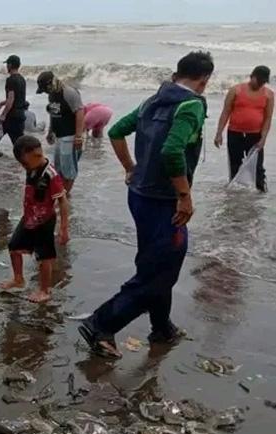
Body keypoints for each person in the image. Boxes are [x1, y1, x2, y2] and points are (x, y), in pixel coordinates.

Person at [78, 52, 214, 359]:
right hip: (166, 203)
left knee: (154, 264)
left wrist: (131, 168)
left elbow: (116, 131)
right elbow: (172, 151)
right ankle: (101, 323)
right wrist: (184, 195)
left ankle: (162, 326)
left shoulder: (154, 100)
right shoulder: (191, 105)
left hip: (139, 196)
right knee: (162, 271)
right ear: (204, 80)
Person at [1, 135, 69, 303]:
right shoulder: (30, 168)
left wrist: (64, 228)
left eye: (27, 162)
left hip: (45, 221)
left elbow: (63, 200)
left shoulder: (50, 174)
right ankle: (18, 279)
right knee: (14, 247)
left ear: (39, 153)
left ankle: (44, 290)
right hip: (29, 217)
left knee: (44, 257)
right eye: (24, 164)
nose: (26, 167)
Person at [214, 65, 273, 192]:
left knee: (257, 168)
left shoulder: (269, 94)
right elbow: (226, 112)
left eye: (263, 82)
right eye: (259, 80)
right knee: (235, 164)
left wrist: (263, 138)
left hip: (255, 135)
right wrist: (219, 133)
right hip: (235, 133)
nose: (261, 84)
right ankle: (235, 196)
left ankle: (261, 194)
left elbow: (268, 118)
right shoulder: (236, 90)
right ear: (252, 76)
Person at [38, 71, 85, 195]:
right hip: (59, 136)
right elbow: (53, 114)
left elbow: (80, 113)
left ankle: (64, 197)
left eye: (45, 89)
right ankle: (61, 194)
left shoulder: (69, 93)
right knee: (58, 168)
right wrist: (50, 131)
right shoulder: (52, 95)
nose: (45, 92)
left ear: (50, 84)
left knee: (68, 170)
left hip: (70, 135)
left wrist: (79, 136)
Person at [0, 55, 27, 156]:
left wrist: (3, 115)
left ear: (10, 65)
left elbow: (11, 99)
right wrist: (2, 103)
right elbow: (17, 98)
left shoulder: (11, 80)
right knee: (18, 143)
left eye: (7, 64)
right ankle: (25, 160)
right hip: (20, 114)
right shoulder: (22, 79)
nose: (6, 67)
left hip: (11, 115)